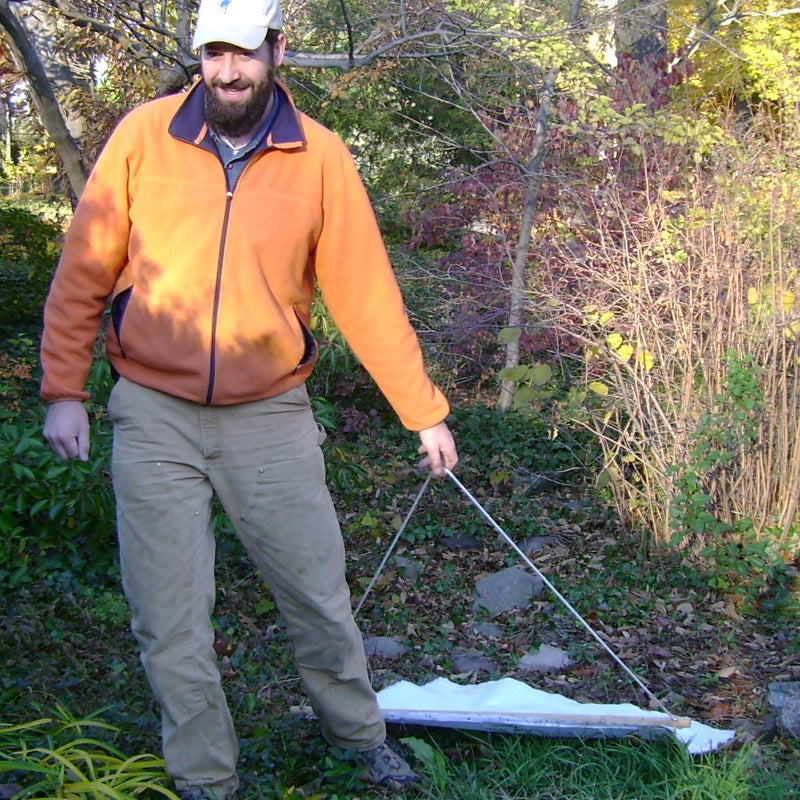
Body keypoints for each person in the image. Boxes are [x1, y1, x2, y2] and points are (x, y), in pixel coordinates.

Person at [40, 0, 458, 796]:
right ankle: (206, 780)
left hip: (270, 415)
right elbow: (84, 270)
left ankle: (359, 738)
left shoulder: (321, 158)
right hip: (152, 410)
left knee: (317, 595)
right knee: (169, 617)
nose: (227, 71)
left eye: (244, 52)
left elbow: (366, 295)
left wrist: (423, 410)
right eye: (212, 54)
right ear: (198, 56)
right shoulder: (143, 136)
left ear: (277, 49)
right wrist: (65, 389)